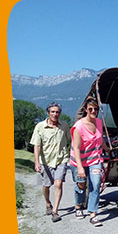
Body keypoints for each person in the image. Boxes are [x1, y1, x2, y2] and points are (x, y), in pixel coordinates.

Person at [69, 97, 110, 227]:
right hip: (79, 161)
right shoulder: (78, 127)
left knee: (96, 184)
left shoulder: (98, 122)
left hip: (95, 159)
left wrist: (108, 149)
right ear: (86, 110)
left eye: (95, 109)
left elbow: (100, 139)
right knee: (81, 186)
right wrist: (80, 168)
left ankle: (93, 214)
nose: (93, 111)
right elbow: (76, 147)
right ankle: (78, 206)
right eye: (90, 109)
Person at [30, 102, 70, 223]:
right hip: (46, 161)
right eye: (53, 112)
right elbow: (37, 146)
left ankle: (55, 211)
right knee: (46, 185)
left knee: (58, 184)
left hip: (61, 159)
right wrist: (36, 162)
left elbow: (71, 140)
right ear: (48, 113)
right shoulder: (40, 127)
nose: (55, 114)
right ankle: (48, 203)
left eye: (57, 112)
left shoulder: (64, 126)